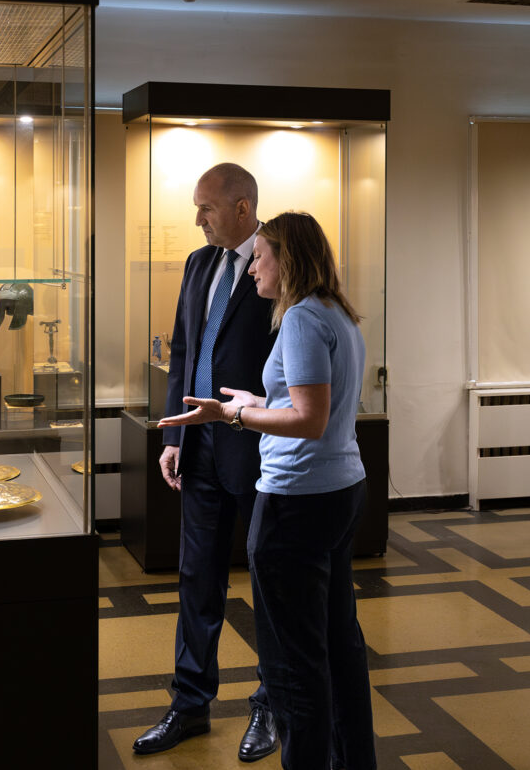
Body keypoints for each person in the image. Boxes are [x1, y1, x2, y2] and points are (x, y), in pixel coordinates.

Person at [158, 211, 377, 770]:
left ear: (288, 258)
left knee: (293, 667)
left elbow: (308, 419)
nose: (253, 267)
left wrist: (233, 415)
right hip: (340, 490)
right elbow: (314, 406)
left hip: (295, 500)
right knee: (340, 645)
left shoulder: (300, 319)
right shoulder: (335, 311)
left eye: (261, 256)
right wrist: (258, 402)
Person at [132, 163, 279, 761]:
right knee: (197, 579)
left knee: (268, 581)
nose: (198, 219)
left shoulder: (278, 262)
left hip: (259, 448)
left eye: (207, 208)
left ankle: (271, 704)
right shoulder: (198, 264)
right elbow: (184, 351)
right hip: (198, 447)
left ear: (243, 208)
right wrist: (173, 434)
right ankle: (190, 704)